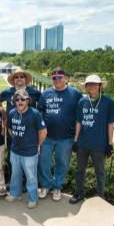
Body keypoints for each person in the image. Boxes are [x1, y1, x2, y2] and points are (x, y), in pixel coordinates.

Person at [69, 75, 114, 204]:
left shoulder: (108, 102)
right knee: (79, 170)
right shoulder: (82, 102)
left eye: (95, 84)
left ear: (100, 86)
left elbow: (110, 124)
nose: (92, 87)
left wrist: (110, 144)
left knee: (100, 173)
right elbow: (79, 122)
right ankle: (79, 193)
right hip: (83, 143)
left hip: (100, 144)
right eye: (89, 84)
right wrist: (76, 140)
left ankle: (100, 198)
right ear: (86, 87)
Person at [38, 68, 82, 201]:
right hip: (46, 137)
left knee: (62, 163)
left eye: (60, 77)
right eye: (54, 78)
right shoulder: (45, 93)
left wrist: (77, 137)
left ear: (65, 78)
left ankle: (57, 187)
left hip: (66, 137)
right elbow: (40, 113)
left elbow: (80, 115)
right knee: (43, 162)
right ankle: (46, 186)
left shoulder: (75, 93)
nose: (57, 80)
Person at [5, 90, 47, 209]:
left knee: (31, 177)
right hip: (15, 151)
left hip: (30, 153)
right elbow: (10, 130)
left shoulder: (35, 114)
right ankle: (14, 193)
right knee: (15, 175)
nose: (20, 102)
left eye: (22, 99)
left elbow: (43, 132)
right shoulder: (12, 112)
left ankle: (33, 198)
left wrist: (37, 144)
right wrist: (17, 139)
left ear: (28, 100)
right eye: (17, 100)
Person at [0, 69, 41, 178]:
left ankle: (28, 182)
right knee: (12, 156)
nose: (19, 79)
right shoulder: (7, 92)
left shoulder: (33, 92)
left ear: (25, 79)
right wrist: (4, 114)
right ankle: (13, 180)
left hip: (29, 132)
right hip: (12, 130)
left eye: (21, 76)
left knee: (29, 159)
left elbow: (42, 103)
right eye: (16, 77)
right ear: (13, 80)